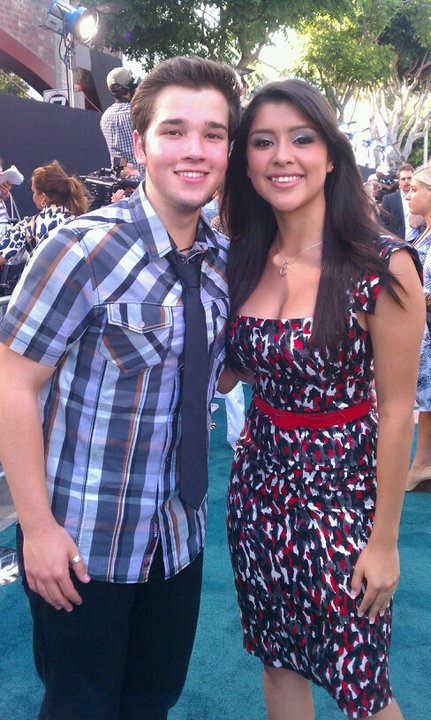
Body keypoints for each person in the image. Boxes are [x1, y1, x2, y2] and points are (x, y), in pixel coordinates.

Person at [0, 56, 241, 720]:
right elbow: (12, 383)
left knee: (151, 703)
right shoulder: (81, 250)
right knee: (81, 705)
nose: (193, 150)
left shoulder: (224, 265)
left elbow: (212, 375)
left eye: (213, 133)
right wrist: (38, 529)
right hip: (84, 543)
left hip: (177, 537)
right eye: (173, 131)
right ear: (139, 145)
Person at [218, 79, 424, 719]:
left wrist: (384, 540)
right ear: (244, 162)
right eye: (263, 142)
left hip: (344, 499)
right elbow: (220, 376)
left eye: (302, 139)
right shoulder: (242, 260)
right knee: (279, 664)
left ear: (331, 154)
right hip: (257, 490)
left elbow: (397, 410)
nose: (283, 156)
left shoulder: (383, 265)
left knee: (361, 687)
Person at [0, 160, 89, 265]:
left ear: (43, 197)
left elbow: (2, 256)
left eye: (33, 191)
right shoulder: (83, 221)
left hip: (42, 280)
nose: (33, 196)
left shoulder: (28, 226)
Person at [404, 163, 431, 491]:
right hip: (420, 328)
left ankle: (420, 463)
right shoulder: (420, 232)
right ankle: (422, 462)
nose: (409, 195)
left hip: (425, 325)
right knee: (425, 401)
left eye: (416, 190)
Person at [100, 66, 145, 175]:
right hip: (142, 178)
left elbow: (118, 158)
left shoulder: (105, 117)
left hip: (119, 177)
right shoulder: (137, 113)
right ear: (131, 87)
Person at [380, 163, 424, 242]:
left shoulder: (421, 198)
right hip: (397, 244)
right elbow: (383, 224)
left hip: (417, 242)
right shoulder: (388, 200)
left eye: (409, 178)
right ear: (399, 182)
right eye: (403, 179)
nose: (406, 181)